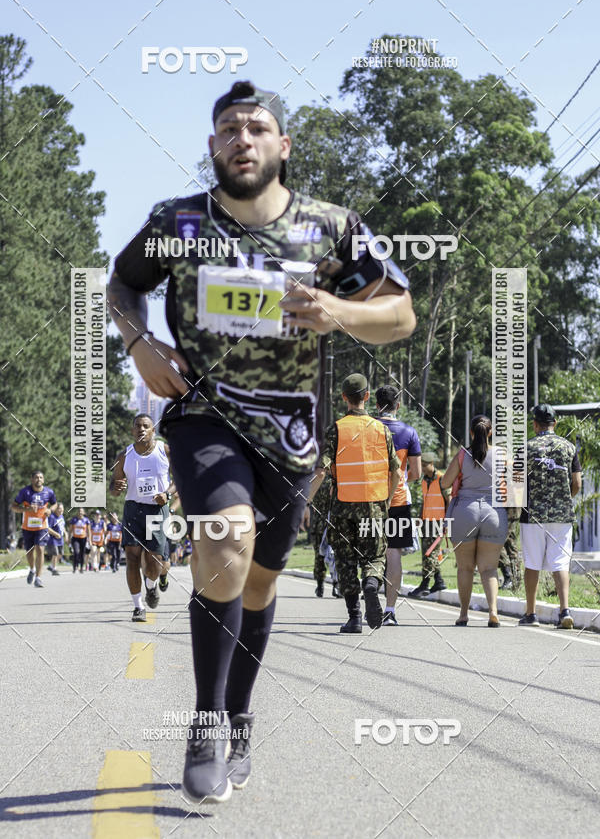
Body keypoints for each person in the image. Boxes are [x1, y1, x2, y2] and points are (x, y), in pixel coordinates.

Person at [108, 79, 415, 804]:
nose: (241, 138)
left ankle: (239, 718)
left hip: (292, 436)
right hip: (204, 417)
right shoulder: (177, 222)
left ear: (282, 146)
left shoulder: (330, 227)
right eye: (228, 129)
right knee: (226, 537)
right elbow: (121, 285)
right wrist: (139, 343)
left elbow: (400, 314)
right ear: (212, 148)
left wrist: (338, 309)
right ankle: (207, 722)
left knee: (261, 580)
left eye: (255, 127)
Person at [311, 374, 401, 634]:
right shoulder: (382, 429)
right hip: (373, 506)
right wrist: (386, 500)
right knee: (374, 556)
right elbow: (396, 472)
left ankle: (354, 618)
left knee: (345, 560)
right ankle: (371, 584)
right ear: (367, 396)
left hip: (342, 507)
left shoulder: (336, 429)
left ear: (344, 398)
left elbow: (320, 472)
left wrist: (304, 501)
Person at [440, 415, 508, 627]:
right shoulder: (502, 454)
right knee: (489, 569)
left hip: (465, 513)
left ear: (472, 432)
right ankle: (493, 612)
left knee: (465, 567)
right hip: (494, 514)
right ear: (490, 433)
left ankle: (463, 614)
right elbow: (517, 480)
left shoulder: (462, 454)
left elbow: (444, 483)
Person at [518, 404, 582, 629]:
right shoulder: (568, 447)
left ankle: (531, 613)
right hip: (562, 515)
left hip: (532, 515)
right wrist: (564, 499)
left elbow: (516, 484)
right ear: (554, 423)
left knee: (532, 563)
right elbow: (577, 483)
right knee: (560, 564)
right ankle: (565, 610)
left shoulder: (526, 448)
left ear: (535, 424)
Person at [110, 414, 175, 622]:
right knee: (132, 558)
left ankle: (151, 585)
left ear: (153, 430)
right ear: (132, 431)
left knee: (155, 561)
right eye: (137, 426)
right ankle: (138, 607)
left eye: (146, 426)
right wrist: (116, 487)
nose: (141, 429)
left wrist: (167, 494)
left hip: (157, 510)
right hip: (133, 510)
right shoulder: (124, 456)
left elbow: (182, 477)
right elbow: (114, 487)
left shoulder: (164, 451)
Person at [374, 385, 421, 625]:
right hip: (399, 501)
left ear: (375, 404)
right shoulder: (409, 432)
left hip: (369, 499)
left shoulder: (368, 429)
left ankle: (370, 592)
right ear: (398, 405)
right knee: (394, 555)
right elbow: (417, 472)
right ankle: (390, 610)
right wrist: (400, 479)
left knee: (370, 553)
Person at [408, 453, 448, 598]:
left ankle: (425, 584)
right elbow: (425, 501)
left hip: (438, 522)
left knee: (430, 553)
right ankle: (439, 581)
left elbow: (449, 500)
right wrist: (420, 517)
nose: (423, 469)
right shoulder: (424, 480)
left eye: (425, 466)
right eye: (421, 466)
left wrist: (447, 521)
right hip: (426, 522)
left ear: (432, 463)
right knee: (429, 553)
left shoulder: (441, 478)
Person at [11, 470, 57, 588]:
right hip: (27, 527)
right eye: (36, 477)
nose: (39, 480)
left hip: (42, 527)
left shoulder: (49, 492)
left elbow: (55, 504)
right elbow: (13, 506)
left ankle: (38, 578)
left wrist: (50, 510)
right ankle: (32, 569)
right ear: (31, 479)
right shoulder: (24, 492)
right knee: (30, 552)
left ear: (44, 480)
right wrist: (27, 510)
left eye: (41, 477)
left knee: (40, 549)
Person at [306, 472, 340, 598]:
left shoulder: (313, 480)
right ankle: (333, 584)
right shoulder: (333, 479)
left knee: (320, 556)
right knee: (332, 555)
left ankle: (321, 586)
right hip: (329, 523)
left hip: (321, 523)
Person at [498, 509, 522, 590]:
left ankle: (510, 577)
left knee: (497, 542)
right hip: (510, 507)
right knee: (510, 543)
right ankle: (515, 577)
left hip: (507, 505)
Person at [68, 508, 91, 573]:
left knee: (82, 553)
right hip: (75, 538)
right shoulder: (74, 520)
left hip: (83, 538)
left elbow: (89, 531)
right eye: (79, 511)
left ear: (84, 513)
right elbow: (70, 530)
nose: (80, 513)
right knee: (76, 552)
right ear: (77, 512)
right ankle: (75, 567)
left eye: (81, 512)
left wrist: (89, 540)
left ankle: (81, 567)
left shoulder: (86, 520)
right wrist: (69, 539)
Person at [46, 502, 66, 575]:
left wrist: (66, 533)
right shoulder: (52, 517)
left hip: (60, 539)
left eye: (62, 508)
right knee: (55, 553)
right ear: (56, 509)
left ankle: (51, 566)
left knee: (60, 554)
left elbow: (62, 526)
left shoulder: (62, 517)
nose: (61, 510)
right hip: (53, 539)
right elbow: (47, 528)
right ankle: (54, 569)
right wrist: (56, 534)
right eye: (59, 508)